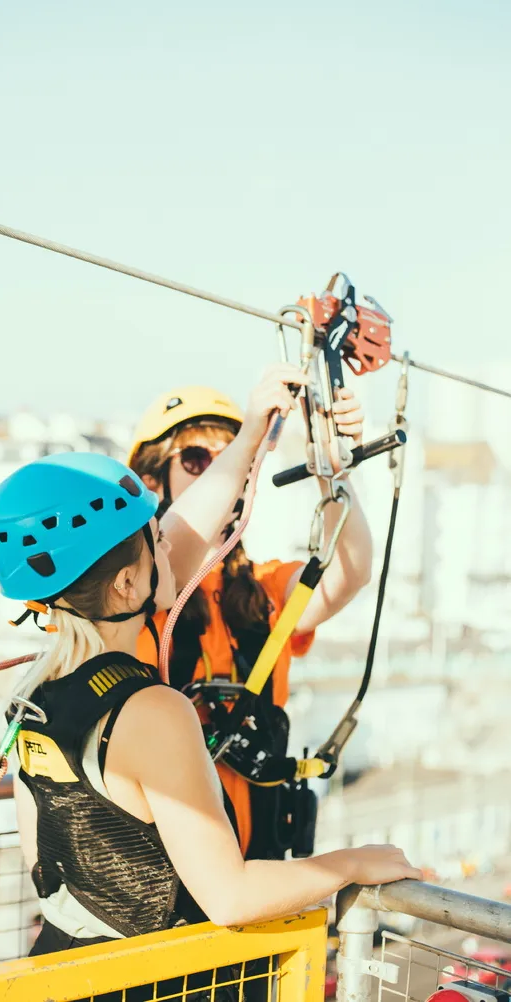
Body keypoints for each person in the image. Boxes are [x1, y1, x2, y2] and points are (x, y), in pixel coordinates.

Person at [0, 380, 420, 974]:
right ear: (127, 582)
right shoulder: (151, 698)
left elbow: (50, 864)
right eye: (155, 536)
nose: (170, 539)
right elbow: (229, 896)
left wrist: (324, 463)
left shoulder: (36, 693)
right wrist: (353, 864)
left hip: (71, 963)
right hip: (172, 964)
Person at [127, 367, 373, 857]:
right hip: (163, 870)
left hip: (256, 861)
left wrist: (331, 466)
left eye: (234, 462)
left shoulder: (264, 591)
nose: (226, 475)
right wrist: (247, 444)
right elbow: (173, 552)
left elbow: (350, 572)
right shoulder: (133, 590)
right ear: (153, 478)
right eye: (198, 461)